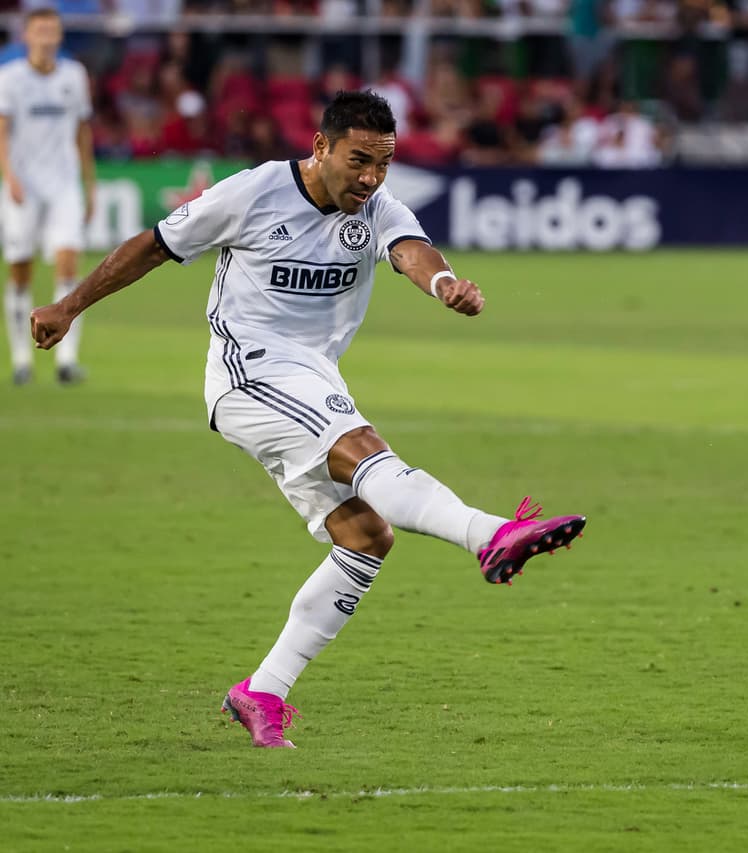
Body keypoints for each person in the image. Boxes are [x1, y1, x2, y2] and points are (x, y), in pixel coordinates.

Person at [29, 90, 587, 749]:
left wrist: (445, 287)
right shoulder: (254, 192)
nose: (371, 177)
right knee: (361, 447)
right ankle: (489, 533)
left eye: (383, 163)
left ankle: (262, 689)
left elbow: (412, 251)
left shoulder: (378, 207)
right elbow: (154, 246)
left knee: (366, 537)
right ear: (320, 148)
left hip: (310, 377)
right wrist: (69, 306)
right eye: (358, 161)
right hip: (248, 370)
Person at [0, 8, 94, 386]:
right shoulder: (10, 79)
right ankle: (22, 359)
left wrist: (91, 184)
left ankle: (65, 361)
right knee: (20, 271)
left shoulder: (75, 76)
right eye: (40, 30)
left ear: (58, 36)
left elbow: (83, 132)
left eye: (53, 31)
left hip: (63, 186)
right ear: (27, 36)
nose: (47, 37)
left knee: (68, 263)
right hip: (23, 186)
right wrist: (9, 176)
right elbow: (2, 132)